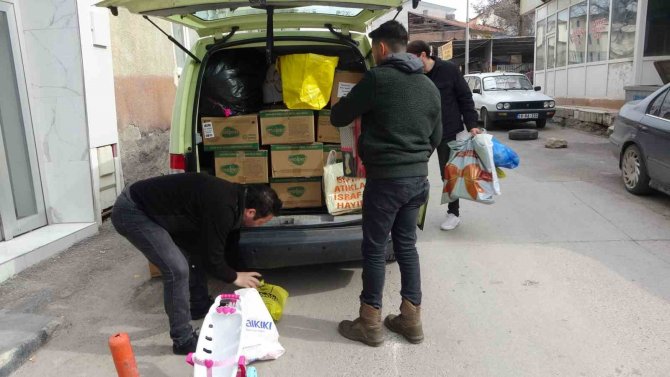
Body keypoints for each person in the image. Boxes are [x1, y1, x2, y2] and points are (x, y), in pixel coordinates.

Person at [330, 21, 442, 346]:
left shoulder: (377, 78)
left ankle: (370, 322)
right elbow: (435, 137)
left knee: (375, 248)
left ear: (380, 49)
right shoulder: (429, 87)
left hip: (386, 181)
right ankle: (411, 320)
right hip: (417, 181)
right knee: (406, 246)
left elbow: (340, 117)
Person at [111, 173, 282, 355]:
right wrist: (235, 277)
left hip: (160, 211)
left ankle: (198, 305)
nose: (259, 226)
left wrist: (246, 272)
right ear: (251, 212)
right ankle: (183, 340)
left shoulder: (237, 201)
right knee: (177, 270)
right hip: (134, 211)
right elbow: (213, 259)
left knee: (196, 249)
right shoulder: (224, 207)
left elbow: (228, 247)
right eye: (261, 223)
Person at [407, 40, 482, 231]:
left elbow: (465, 98)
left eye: (413, 58)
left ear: (423, 55)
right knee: (411, 172)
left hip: (447, 131)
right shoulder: (411, 74)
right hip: (421, 132)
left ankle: (453, 213)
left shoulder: (449, 70)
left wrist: (472, 125)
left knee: (448, 174)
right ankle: (408, 213)